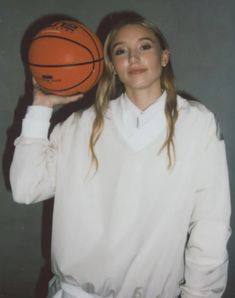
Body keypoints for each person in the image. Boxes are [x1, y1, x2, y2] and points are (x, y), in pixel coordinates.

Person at [10, 15, 231, 298]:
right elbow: (26, 188)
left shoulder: (197, 124)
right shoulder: (80, 125)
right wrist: (40, 108)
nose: (133, 58)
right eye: (121, 51)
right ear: (112, 66)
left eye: (144, 47)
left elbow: (211, 222)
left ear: (164, 57)